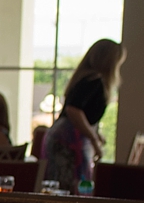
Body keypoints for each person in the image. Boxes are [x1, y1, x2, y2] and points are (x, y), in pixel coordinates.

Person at [43, 38, 127, 192]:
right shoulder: (95, 81)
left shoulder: (85, 78)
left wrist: (95, 134)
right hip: (67, 142)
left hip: (61, 137)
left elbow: (82, 113)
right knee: (68, 187)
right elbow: (73, 110)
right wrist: (94, 139)